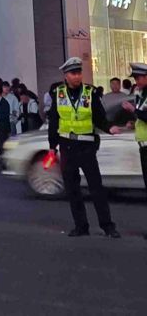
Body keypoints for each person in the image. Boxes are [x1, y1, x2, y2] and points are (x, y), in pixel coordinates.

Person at [47, 57, 119, 238]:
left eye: (79, 73)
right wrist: (52, 147)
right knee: (73, 189)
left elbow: (99, 117)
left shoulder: (90, 92)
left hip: (86, 146)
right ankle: (81, 226)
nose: (77, 77)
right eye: (73, 73)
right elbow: (54, 121)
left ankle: (108, 226)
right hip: (67, 146)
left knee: (96, 188)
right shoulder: (58, 93)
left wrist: (109, 127)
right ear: (66, 75)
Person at [113, 61, 147, 235]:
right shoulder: (141, 94)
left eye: (138, 78)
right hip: (143, 146)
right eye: (135, 78)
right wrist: (133, 124)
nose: (136, 82)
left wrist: (133, 110)